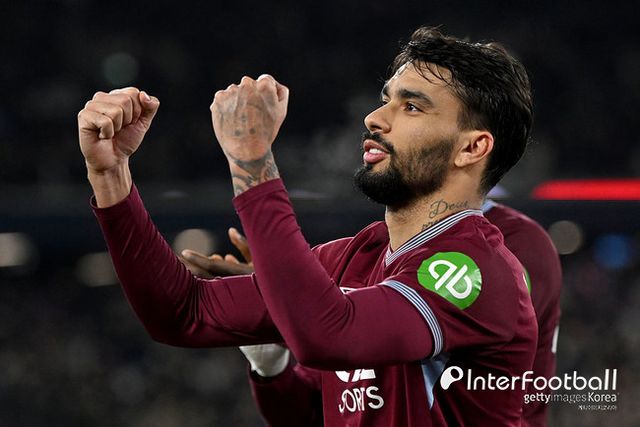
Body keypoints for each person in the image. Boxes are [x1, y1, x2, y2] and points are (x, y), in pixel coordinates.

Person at [78, 27, 537, 426]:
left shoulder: (476, 271)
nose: (375, 119)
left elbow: (331, 335)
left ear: (472, 148)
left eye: (412, 106)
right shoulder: (349, 260)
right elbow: (182, 314)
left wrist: (252, 158)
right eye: (386, 100)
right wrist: (110, 175)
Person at [184, 198, 562, 426]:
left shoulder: (514, 245)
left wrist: (295, 301)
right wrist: (271, 364)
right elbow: (314, 413)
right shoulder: (376, 252)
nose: (377, 123)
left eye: (413, 108)